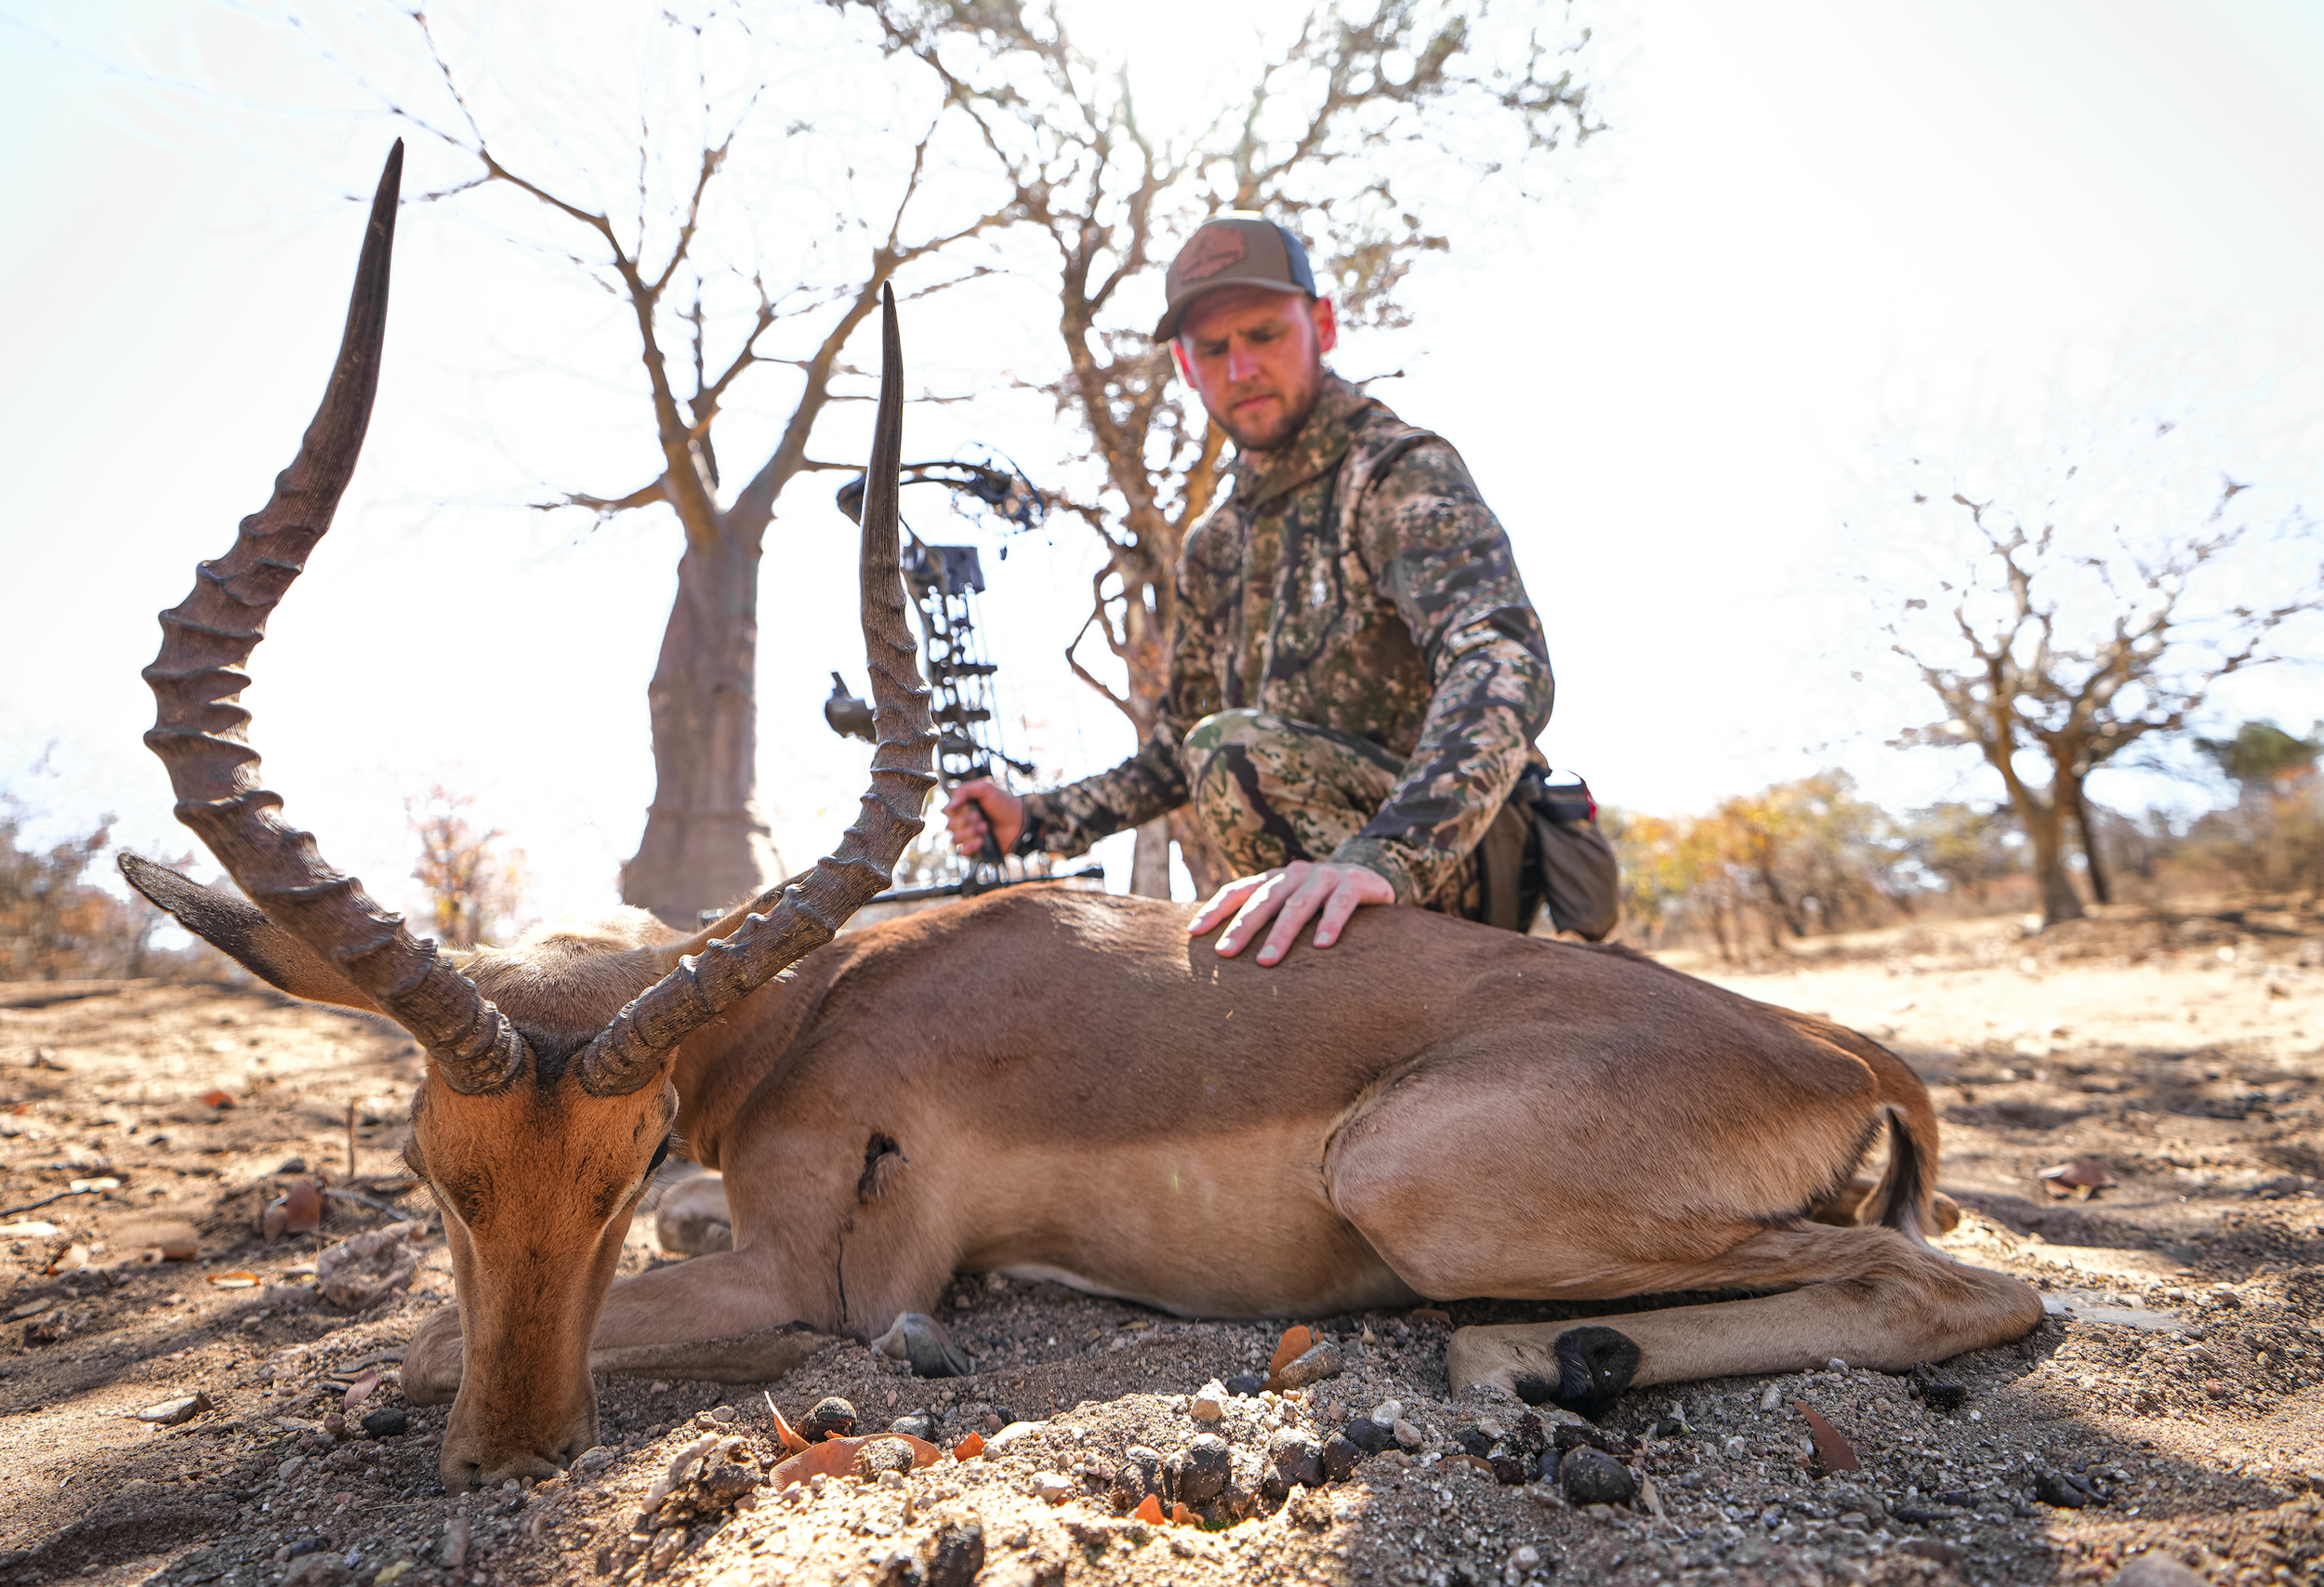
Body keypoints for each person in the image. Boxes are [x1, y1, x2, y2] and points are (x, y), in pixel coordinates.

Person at [947, 213, 1556, 966]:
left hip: (1453, 856)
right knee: (1218, 751)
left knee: (1232, 754)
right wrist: (1037, 819)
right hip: (1320, 871)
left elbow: (1501, 661)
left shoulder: (1396, 472)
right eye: (1214, 348)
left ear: (1323, 325)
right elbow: (1177, 749)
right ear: (1184, 364)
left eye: (1264, 334)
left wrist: (1384, 856)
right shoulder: (1216, 544)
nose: (1240, 368)